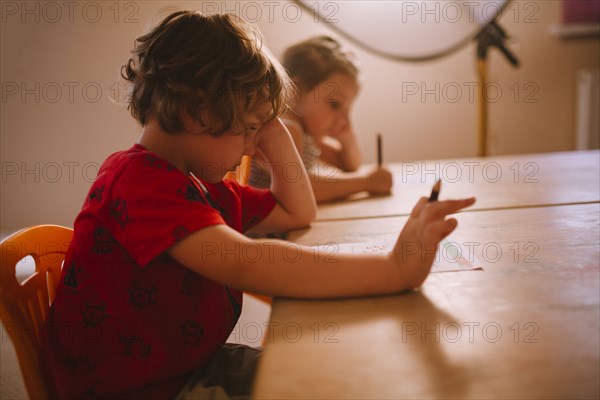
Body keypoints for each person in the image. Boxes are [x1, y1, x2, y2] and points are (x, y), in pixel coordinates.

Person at [40, 10, 475, 400]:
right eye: (249, 129)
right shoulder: (138, 183)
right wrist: (393, 269)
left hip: (185, 365)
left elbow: (297, 212)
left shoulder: (197, 184)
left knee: (340, 366)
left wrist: (275, 133)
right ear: (197, 112)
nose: (252, 146)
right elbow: (247, 260)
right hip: (147, 388)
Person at [248, 36, 393, 202]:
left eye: (348, 110)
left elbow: (349, 165)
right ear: (294, 91)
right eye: (335, 104)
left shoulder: (307, 132)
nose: (343, 118)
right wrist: (366, 183)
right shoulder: (286, 129)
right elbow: (301, 187)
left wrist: (346, 135)